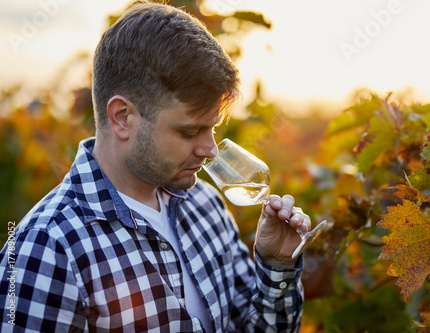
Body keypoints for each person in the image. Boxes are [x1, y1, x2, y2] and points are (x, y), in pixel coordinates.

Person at [0, 2, 312, 332]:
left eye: (214, 128)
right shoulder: (47, 247)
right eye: (190, 131)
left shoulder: (205, 206)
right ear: (122, 117)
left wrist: (277, 267)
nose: (211, 150)